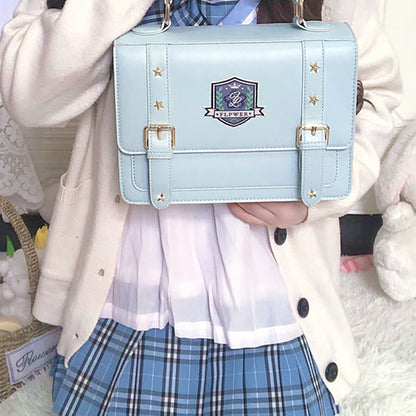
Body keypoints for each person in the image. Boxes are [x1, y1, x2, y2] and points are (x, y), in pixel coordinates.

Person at [0, 0, 401, 414]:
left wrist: (312, 196)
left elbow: (374, 95)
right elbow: (28, 97)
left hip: (270, 304)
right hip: (128, 294)